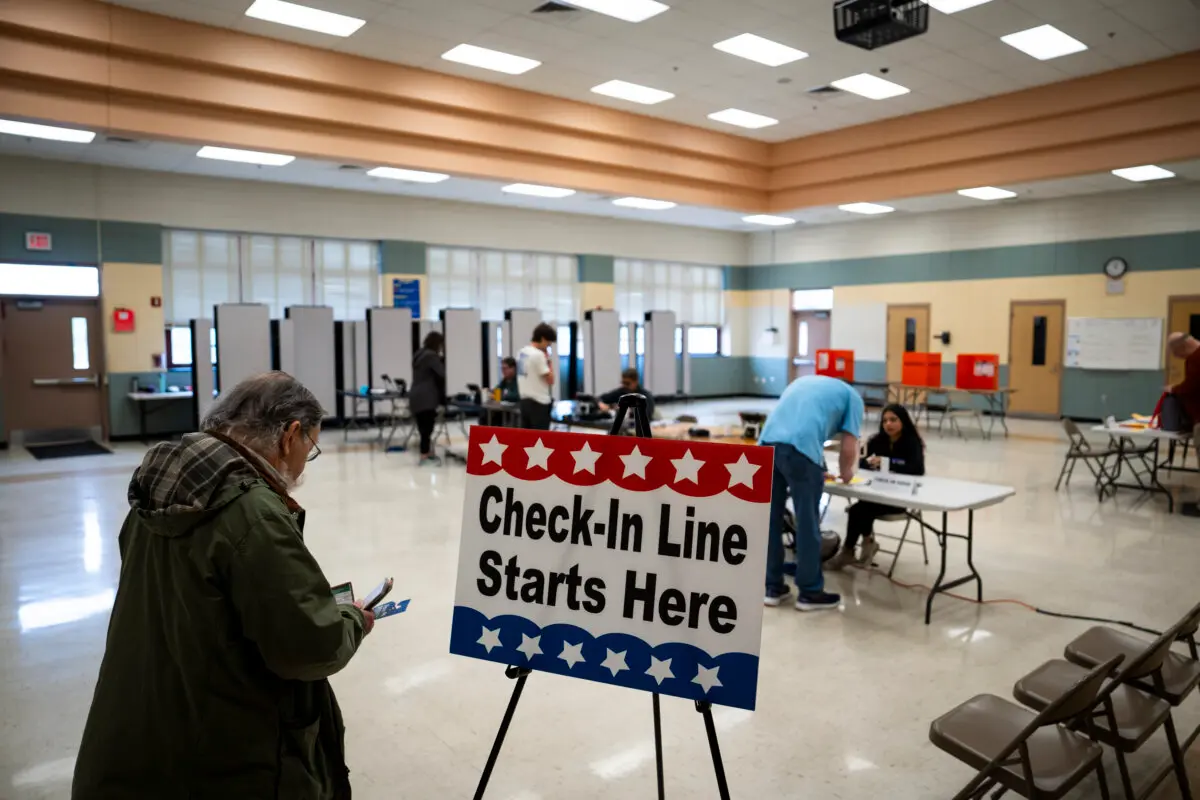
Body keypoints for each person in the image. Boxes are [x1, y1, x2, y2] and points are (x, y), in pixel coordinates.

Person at [73, 372, 373, 800]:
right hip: (220, 759)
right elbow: (311, 645)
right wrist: (351, 619)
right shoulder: (252, 512)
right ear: (290, 435)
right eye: (312, 446)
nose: (307, 460)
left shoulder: (157, 487)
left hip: (134, 736)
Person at [760, 374, 864, 611]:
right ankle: (810, 591)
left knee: (770, 521)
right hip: (801, 448)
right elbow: (849, 445)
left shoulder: (801, 382)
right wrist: (846, 473)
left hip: (766, 445)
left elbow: (800, 422)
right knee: (807, 522)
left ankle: (772, 588)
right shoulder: (852, 397)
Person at [827, 403, 925, 571]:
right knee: (860, 508)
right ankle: (864, 544)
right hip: (877, 491)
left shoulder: (912, 442)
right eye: (885, 420)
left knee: (858, 510)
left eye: (893, 420)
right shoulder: (877, 440)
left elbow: (917, 468)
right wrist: (870, 462)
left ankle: (854, 548)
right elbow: (862, 462)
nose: (888, 424)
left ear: (903, 421)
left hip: (900, 496)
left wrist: (888, 462)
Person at [1166, 332, 1200, 516]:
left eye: (1178, 354)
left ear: (1183, 347)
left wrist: (1174, 389)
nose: (1179, 359)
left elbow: (1191, 387)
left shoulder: (1196, 359)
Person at [410, 331, 446, 465]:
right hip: (427, 396)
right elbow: (441, 374)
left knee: (422, 428)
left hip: (415, 395)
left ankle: (427, 452)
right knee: (427, 428)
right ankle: (424, 456)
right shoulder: (432, 356)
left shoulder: (418, 355)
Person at [517, 323, 557, 430]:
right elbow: (550, 380)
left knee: (527, 439)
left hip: (524, 401)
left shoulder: (522, 352)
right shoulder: (538, 355)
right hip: (539, 403)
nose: (548, 346)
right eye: (548, 343)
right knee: (540, 440)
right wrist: (549, 361)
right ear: (543, 339)